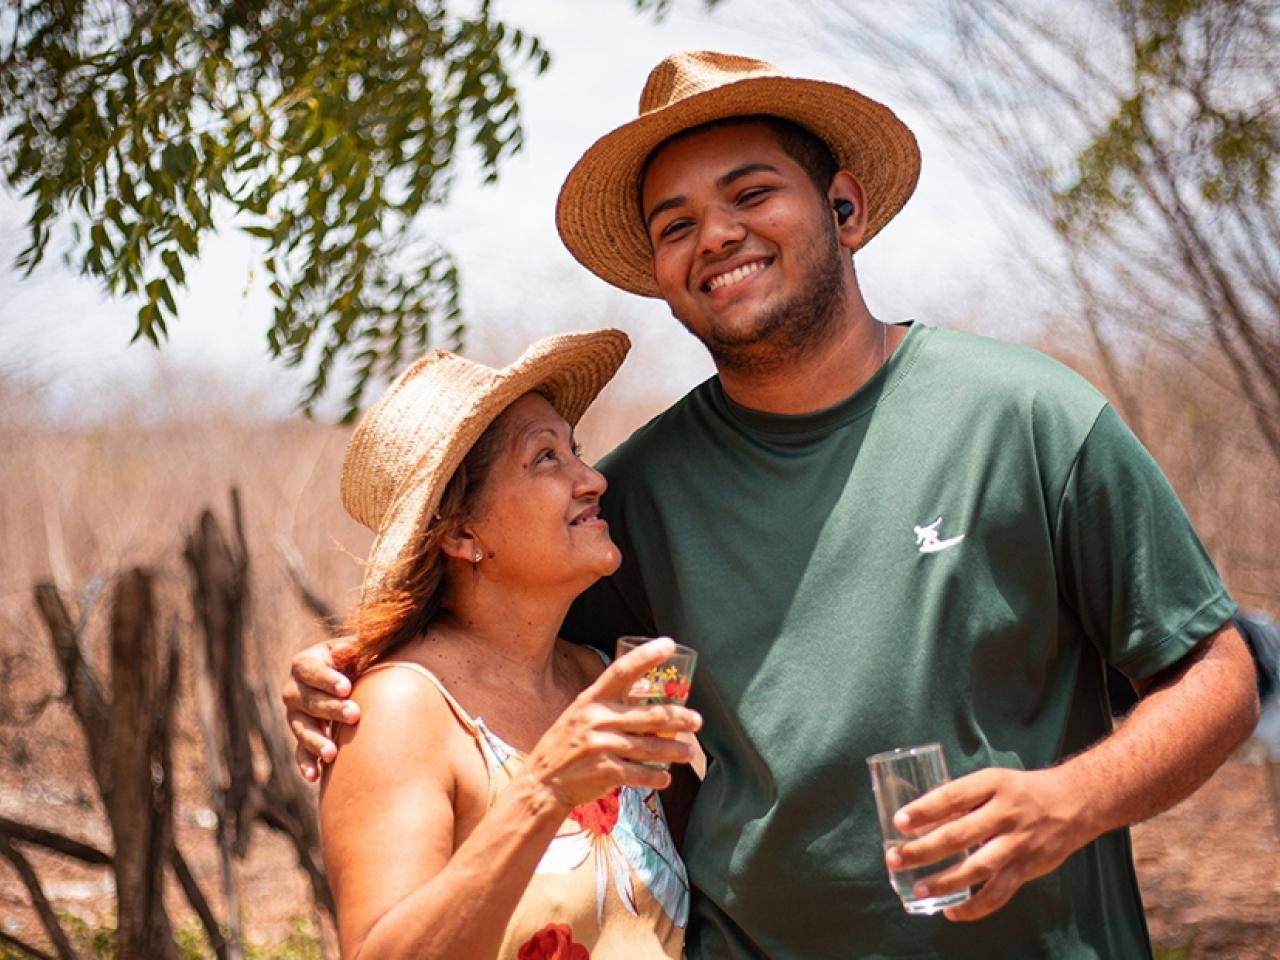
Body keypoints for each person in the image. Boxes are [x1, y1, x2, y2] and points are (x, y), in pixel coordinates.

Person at [285, 52, 1261, 959]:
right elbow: (490, 652)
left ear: (844, 207)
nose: (714, 235)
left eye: (750, 193)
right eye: (674, 225)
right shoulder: (635, 499)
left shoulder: (1026, 417)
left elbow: (1215, 678)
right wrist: (343, 677)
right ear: (661, 276)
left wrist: (1068, 802)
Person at [315, 328, 701, 959]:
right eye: (546, 458)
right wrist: (544, 789)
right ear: (462, 533)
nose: (592, 479)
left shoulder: (605, 677)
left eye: (576, 450)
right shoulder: (401, 712)